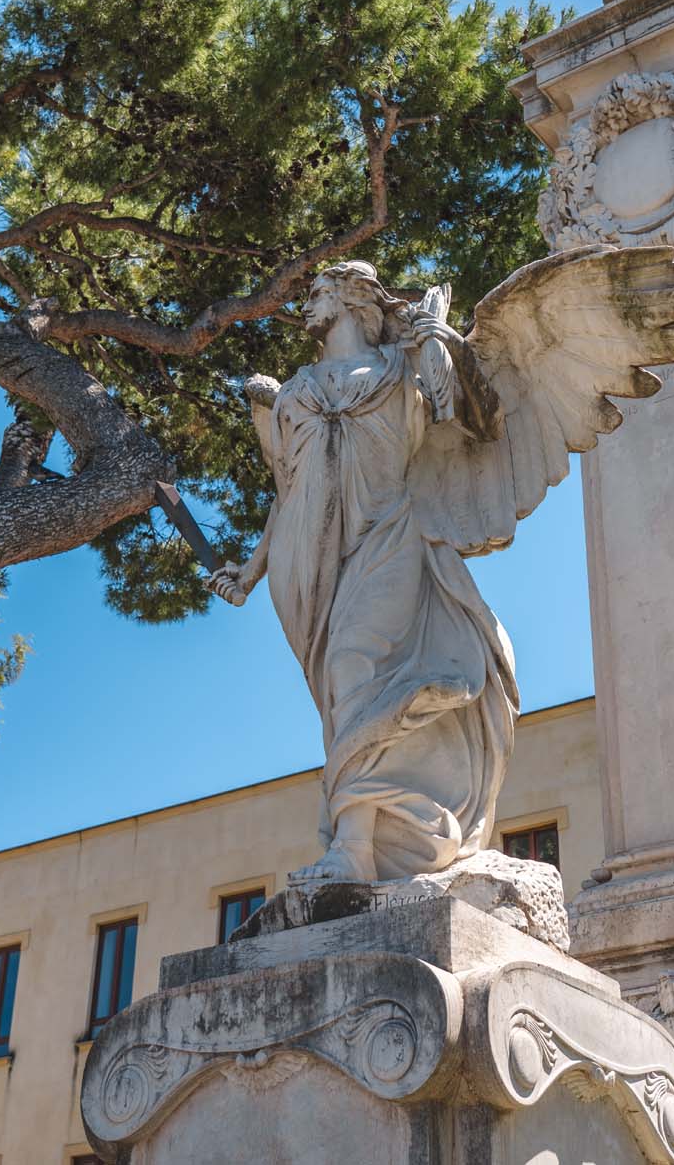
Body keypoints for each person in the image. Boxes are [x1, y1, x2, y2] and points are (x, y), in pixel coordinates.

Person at [209, 261, 518, 883]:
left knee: (355, 664)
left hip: (390, 535)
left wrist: (438, 337)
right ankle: (366, 840)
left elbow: (479, 421)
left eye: (318, 292)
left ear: (352, 300)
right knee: (340, 694)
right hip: (310, 556)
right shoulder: (295, 389)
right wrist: (249, 569)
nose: (307, 305)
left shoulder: (400, 370)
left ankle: (352, 847)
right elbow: (287, 489)